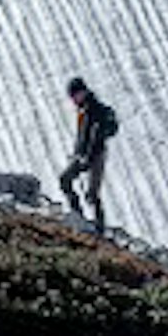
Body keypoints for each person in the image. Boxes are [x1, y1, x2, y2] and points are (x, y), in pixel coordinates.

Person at [59, 73, 118, 233]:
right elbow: (83, 136)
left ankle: (97, 227)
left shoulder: (94, 110)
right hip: (85, 155)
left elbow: (93, 136)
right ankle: (81, 217)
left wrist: (84, 155)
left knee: (89, 192)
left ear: (82, 92)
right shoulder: (85, 109)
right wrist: (78, 153)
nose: (73, 100)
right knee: (67, 181)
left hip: (95, 155)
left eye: (74, 95)